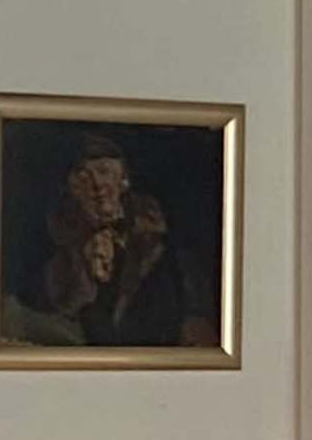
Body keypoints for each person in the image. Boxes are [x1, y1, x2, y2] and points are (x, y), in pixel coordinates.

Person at [19, 142, 202, 349]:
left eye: (104, 172)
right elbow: (41, 307)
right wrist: (80, 263)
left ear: (123, 180)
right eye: (83, 176)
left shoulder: (158, 237)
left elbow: (193, 304)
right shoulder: (59, 239)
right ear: (71, 187)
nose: (97, 184)